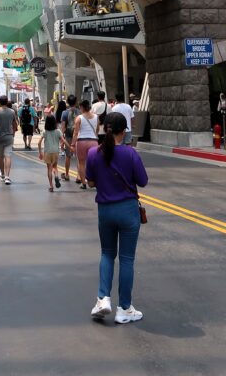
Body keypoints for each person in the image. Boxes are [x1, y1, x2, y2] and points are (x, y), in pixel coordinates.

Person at [85, 112, 148, 325]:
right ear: (124, 131)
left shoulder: (94, 153)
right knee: (127, 259)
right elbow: (143, 181)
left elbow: (90, 182)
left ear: (104, 128)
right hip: (128, 211)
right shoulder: (130, 154)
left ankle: (103, 299)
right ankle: (124, 308)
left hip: (106, 210)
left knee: (107, 254)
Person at [0, 95, 19, 185]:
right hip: (9, 137)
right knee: (8, 156)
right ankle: (7, 177)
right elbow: (15, 124)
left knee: (0, 156)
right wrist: (13, 133)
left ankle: (2, 174)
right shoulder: (12, 112)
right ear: (6, 102)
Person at [72, 99, 100, 190]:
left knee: (81, 163)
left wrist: (72, 144)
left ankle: (84, 183)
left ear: (82, 107)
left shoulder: (79, 118)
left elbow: (75, 133)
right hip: (93, 141)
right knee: (94, 163)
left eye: (80, 107)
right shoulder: (96, 117)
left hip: (82, 141)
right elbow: (97, 129)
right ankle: (95, 181)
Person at [38, 114, 63, 192]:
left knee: (49, 168)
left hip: (47, 152)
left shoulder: (45, 131)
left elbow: (39, 143)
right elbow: (63, 140)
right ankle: (56, 176)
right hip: (55, 151)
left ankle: (51, 186)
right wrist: (69, 147)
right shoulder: (58, 131)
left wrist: (40, 153)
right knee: (55, 166)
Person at [59, 96, 77, 182]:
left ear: (68, 103)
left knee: (68, 156)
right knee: (79, 158)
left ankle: (67, 174)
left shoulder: (65, 113)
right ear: (76, 102)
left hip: (69, 136)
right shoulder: (79, 112)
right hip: (78, 136)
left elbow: (63, 126)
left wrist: (62, 139)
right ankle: (79, 176)